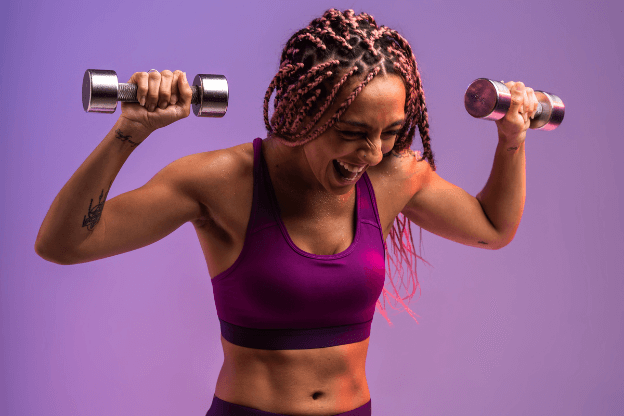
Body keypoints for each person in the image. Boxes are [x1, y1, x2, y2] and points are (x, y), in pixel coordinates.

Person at [35, 8, 538, 416]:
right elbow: (63, 244)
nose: (374, 153)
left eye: (390, 132)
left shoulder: (392, 177)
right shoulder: (220, 181)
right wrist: (131, 131)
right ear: (305, 111)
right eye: (353, 132)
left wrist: (511, 140)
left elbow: (491, 230)